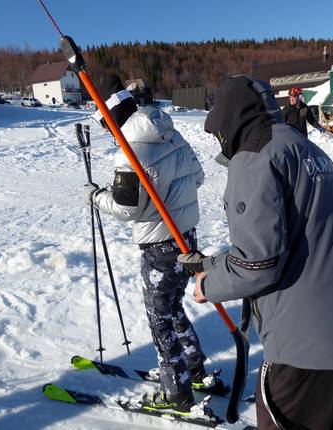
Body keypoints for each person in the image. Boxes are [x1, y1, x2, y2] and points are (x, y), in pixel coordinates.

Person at [177, 75, 333, 430]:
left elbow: (258, 264)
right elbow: (293, 238)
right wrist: (211, 264)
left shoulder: (254, 156)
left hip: (310, 352)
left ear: (230, 122)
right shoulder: (303, 147)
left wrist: (207, 285)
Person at [84, 74, 208, 414]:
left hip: (160, 247)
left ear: (113, 120)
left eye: (106, 126)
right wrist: (170, 196)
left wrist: (97, 197)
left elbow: (127, 208)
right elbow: (198, 176)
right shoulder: (170, 132)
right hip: (187, 238)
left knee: (160, 318)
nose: (109, 134)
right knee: (173, 306)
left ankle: (177, 392)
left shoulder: (130, 152)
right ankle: (194, 367)